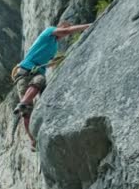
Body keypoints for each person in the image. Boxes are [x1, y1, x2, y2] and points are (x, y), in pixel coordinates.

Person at [13, 21, 91, 149]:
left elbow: (46, 63)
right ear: (59, 27)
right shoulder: (49, 31)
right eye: (64, 29)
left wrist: (56, 61)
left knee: (28, 108)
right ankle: (32, 136)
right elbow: (67, 31)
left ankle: (24, 108)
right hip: (25, 71)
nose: (64, 34)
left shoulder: (54, 47)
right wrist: (87, 26)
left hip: (33, 72)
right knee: (37, 86)